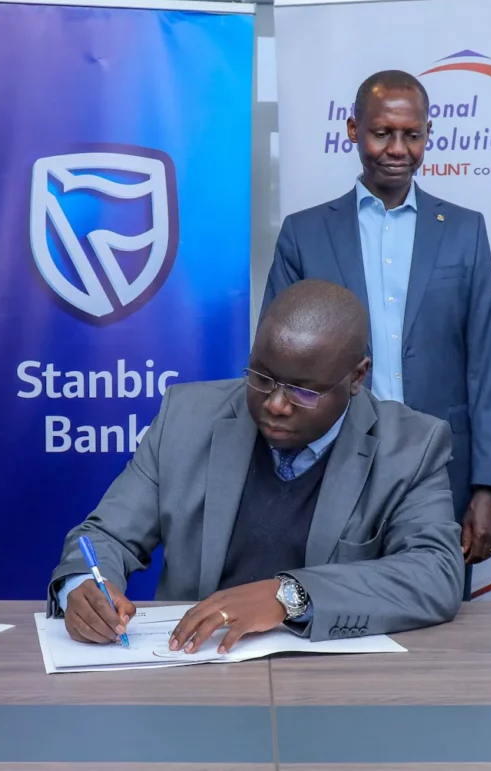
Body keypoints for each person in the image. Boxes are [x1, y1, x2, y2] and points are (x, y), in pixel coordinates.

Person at [49, 279, 463, 652]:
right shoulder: (186, 417)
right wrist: (82, 586)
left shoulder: (410, 446)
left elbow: (435, 572)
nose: (275, 404)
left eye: (303, 391)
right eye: (262, 377)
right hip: (195, 668)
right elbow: (107, 536)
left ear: (357, 378)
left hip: (334, 689)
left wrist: (288, 596)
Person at [263, 70, 491, 594]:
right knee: (328, 604)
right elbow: (277, 365)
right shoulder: (305, 233)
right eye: (382, 133)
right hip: (328, 459)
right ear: (353, 130)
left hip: (439, 465)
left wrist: (488, 488)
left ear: (426, 134)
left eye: (411, 134)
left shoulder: (465, 231)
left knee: (436, 616)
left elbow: (487, 364)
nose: (397, 149)